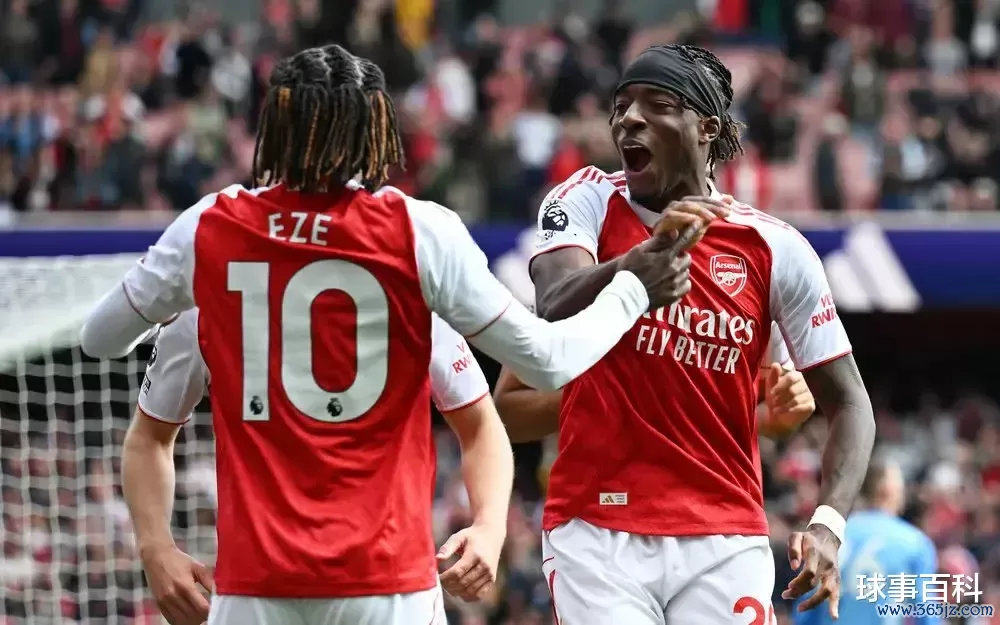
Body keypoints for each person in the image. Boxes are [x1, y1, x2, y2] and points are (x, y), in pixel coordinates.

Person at [78, 45, 720, 624]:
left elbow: (100, 341)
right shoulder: (418, 236)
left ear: (275, 127)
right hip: (388, 587)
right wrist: (635, 288)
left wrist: (182, 297)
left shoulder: (210, 231)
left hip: (254, 589)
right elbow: (548, 362)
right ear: (375, 131)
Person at [525, 44, 876, 624]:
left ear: (707, 128)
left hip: (726, 536)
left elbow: (850, 402)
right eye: (621, 105)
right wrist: (636, 266)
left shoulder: (775, 247)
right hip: (597, 528)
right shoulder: (585, 199)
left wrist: (829, 524)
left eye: (656, 104)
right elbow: (553, 302)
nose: (629, 119)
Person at [122, 309, 509, 625]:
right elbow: (149, 437)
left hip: (392, 583)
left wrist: (490, 524)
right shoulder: (204, 296)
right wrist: (156, 548)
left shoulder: (409, 280)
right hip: (257, 589)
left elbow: (480, 424)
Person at [494, 323, 817, 443]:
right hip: (599, 519)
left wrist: (778, 419)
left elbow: (750, 416)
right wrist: (602, 394)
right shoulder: (583, 250)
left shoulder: (762, 252)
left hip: (722, 519)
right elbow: (507, 415)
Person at [793, 457, 940, 625]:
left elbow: (805, 610)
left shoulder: (828, 536)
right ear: (888, 490)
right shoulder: (914, 543)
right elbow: (926, 613)